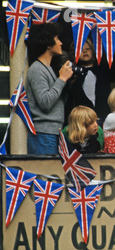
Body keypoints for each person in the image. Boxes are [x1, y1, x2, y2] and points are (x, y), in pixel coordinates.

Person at [25, 23, 73, 154]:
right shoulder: (37, 69)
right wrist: (62, 79)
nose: (61, 43)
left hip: (52, 132)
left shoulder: (47, 68)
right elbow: (45, 102)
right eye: (57, 39)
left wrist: (66, 81)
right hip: (43, 134)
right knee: (44, 174)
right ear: (48, 44)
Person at [64, 38, 115, 126]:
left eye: (88, 49)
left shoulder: (102, 71)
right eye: (81, 50)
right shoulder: (73, 74)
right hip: (83, 119)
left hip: (103, 116)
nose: (85, 52)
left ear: (93, 50)